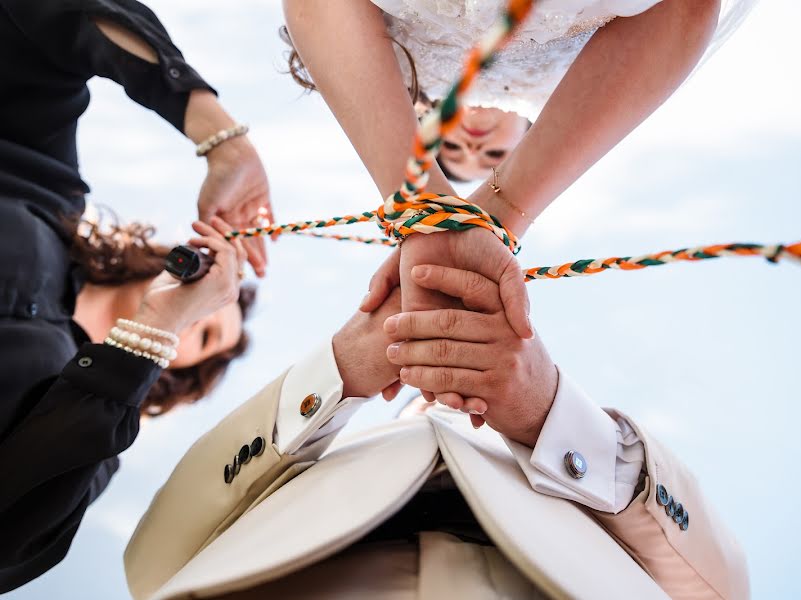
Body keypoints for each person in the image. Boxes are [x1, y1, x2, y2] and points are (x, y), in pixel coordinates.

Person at [124, 265, 749, 599]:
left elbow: (717, 588)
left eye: (467, 399)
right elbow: (156, 559)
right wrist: (343, 368)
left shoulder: (587, 501)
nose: (448, 394)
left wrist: (547, 413)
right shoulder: (333, 468)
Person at [282, 0, 759, 407]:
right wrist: (482, 216)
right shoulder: (590, 75)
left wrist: (429, 213)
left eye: (454, 153)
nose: (472, 145)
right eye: (486, 158)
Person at [0, 0, 270, 590]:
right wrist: (221, 139)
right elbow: (38, 23)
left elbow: (12, 536)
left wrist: (151, 333)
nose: (202, 306)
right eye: (212, 300)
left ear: (170, 367)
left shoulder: (89, 442)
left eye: (201, 330)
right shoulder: (48, 193)